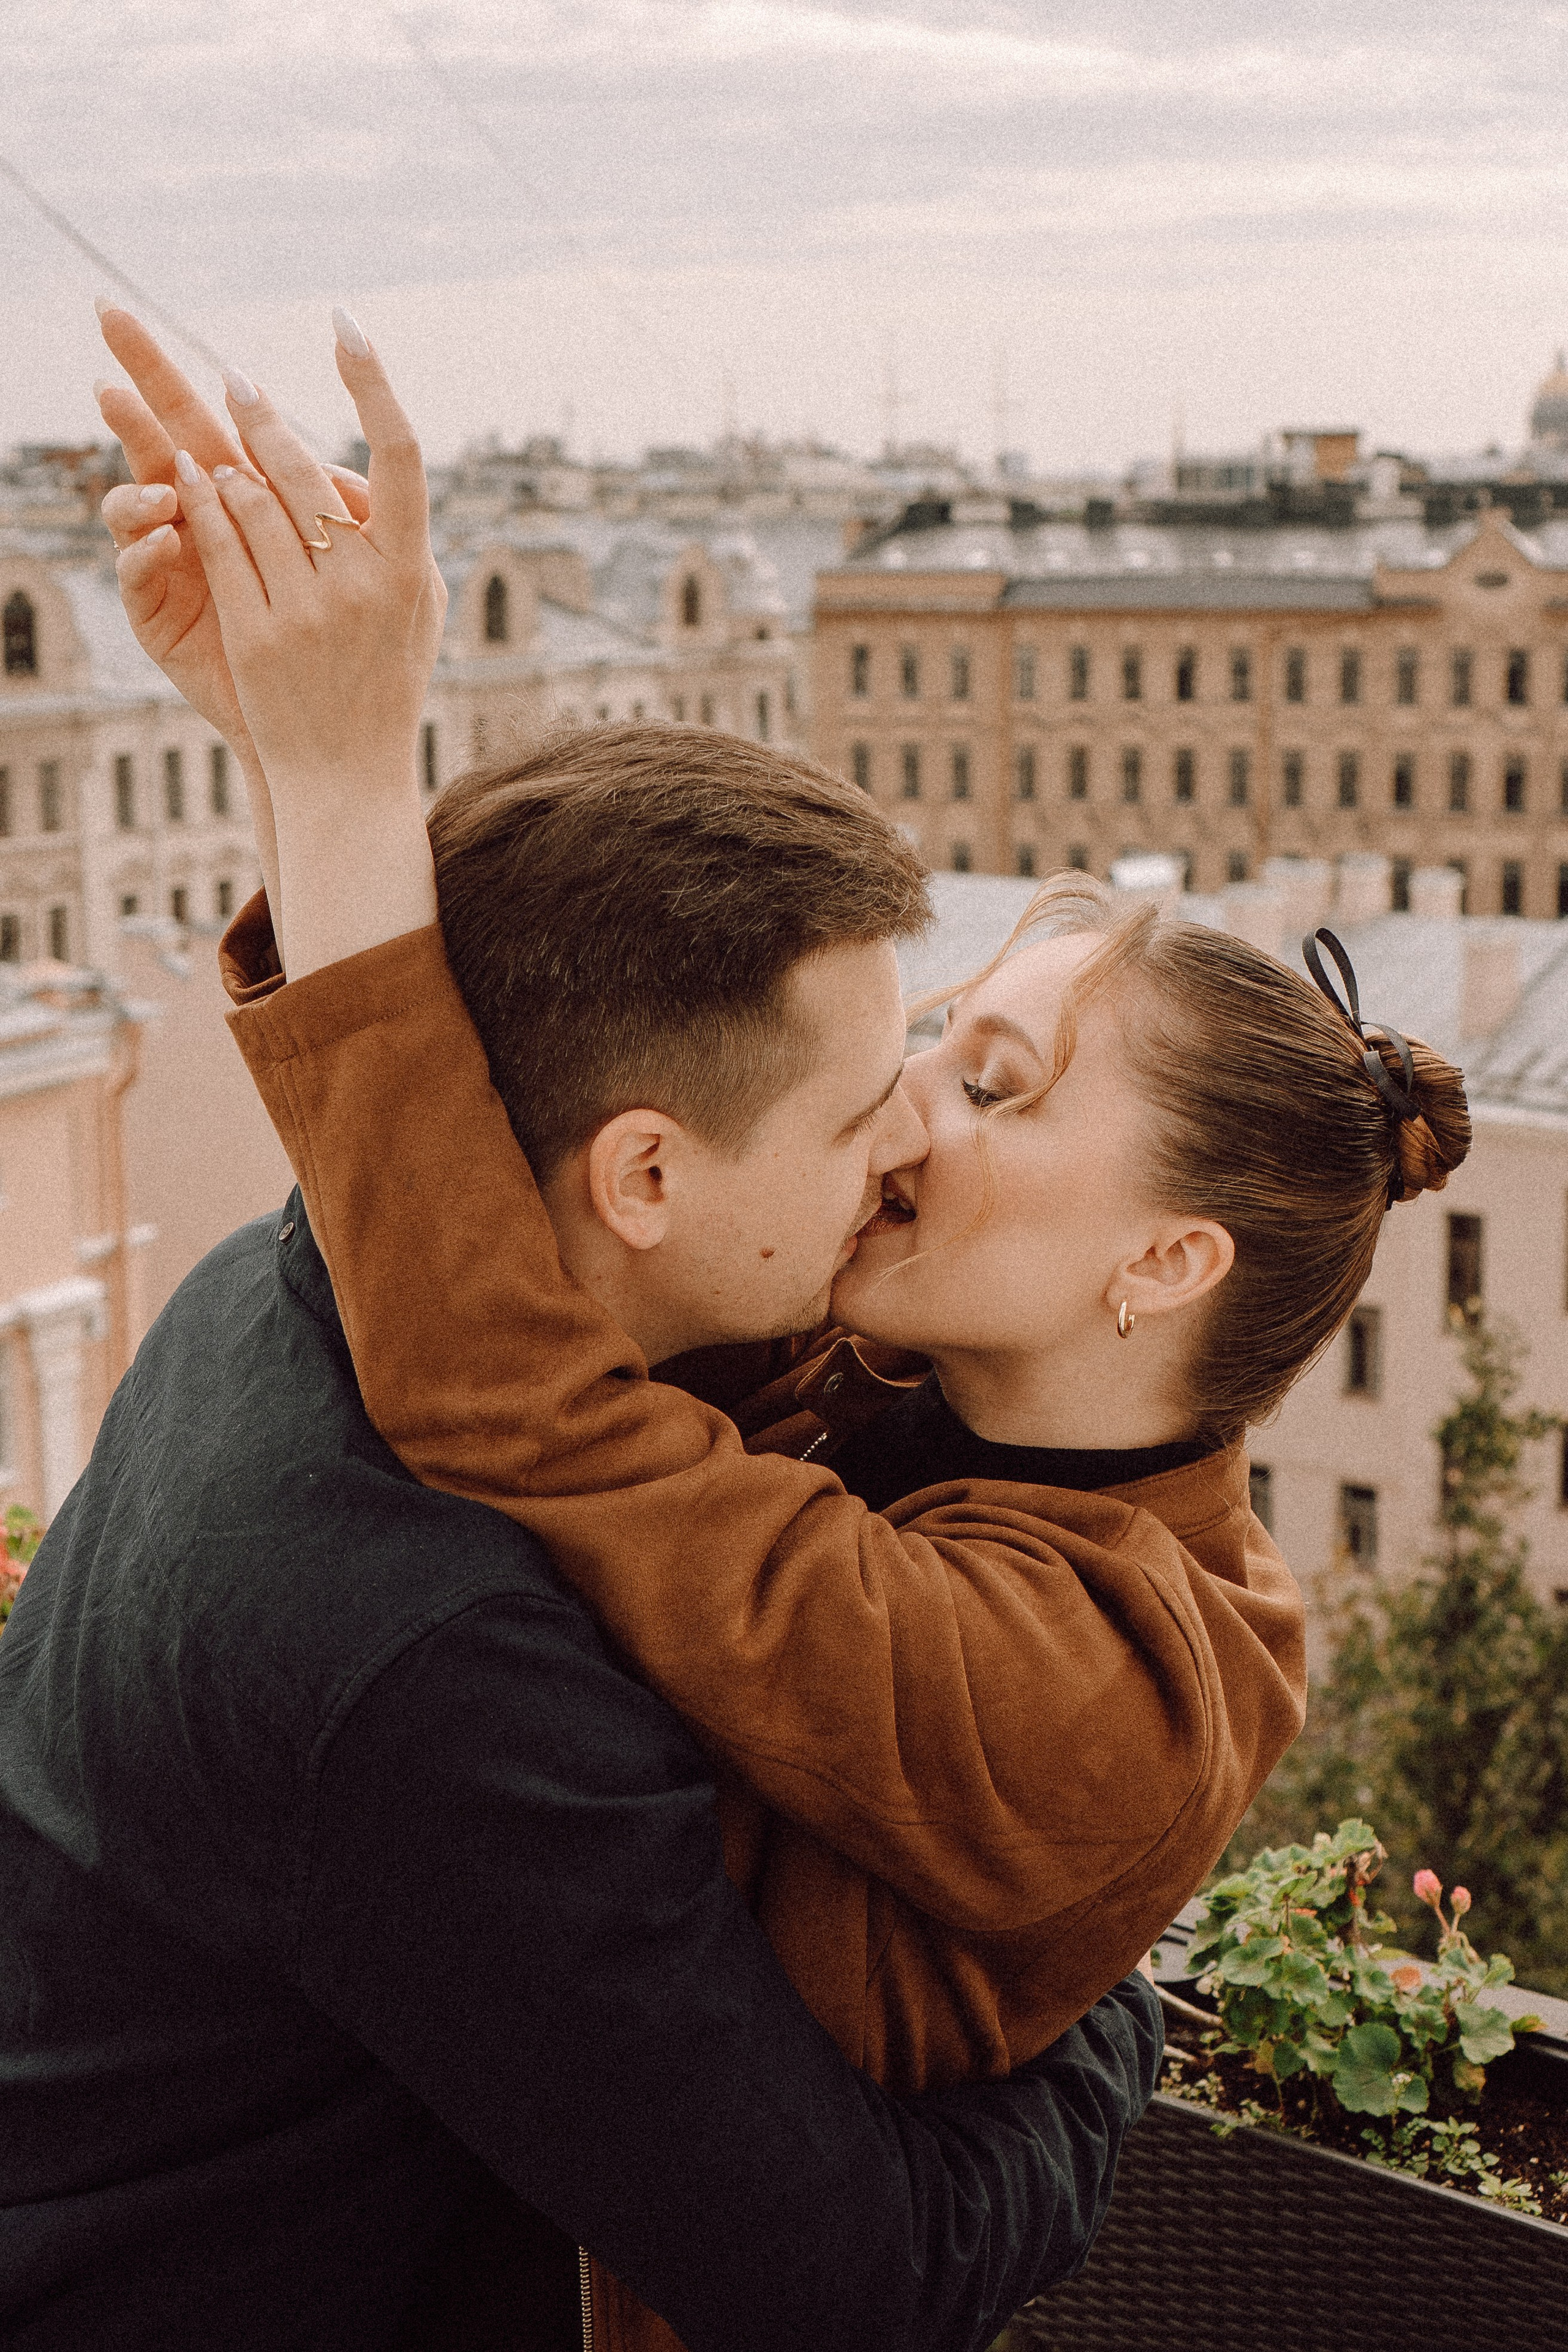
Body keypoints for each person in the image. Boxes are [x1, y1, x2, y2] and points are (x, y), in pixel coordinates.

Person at [92, 312, 1436, 2346]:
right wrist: (315, 767)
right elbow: (532, 1196)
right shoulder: (907, 1402)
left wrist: (341, 769)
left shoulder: (1094, 1671)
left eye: (989, 1087)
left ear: (1164, 1264)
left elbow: (517, 1383)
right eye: (917, 1059)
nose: (905, 1118)